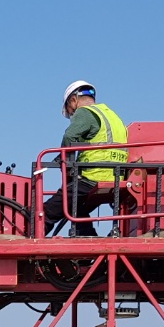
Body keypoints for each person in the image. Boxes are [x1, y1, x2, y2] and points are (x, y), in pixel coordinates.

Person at [41, 80, 130, 238]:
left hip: (95, 175)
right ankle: (88, 237)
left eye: (70, 112)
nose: (72, 116)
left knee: (49, 210)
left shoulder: (85, 112)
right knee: (77, 207)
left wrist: (65, 164)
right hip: (116, 176)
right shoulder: (112, 115)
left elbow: (69, 136)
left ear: (73, 100)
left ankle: (32, 240)